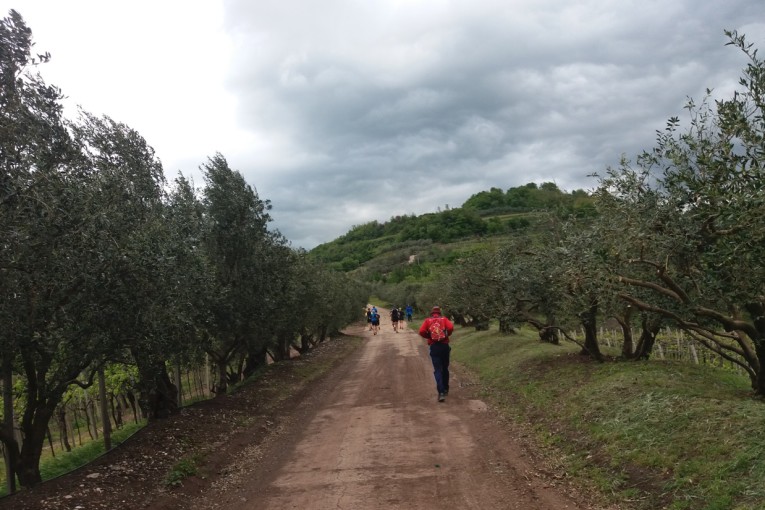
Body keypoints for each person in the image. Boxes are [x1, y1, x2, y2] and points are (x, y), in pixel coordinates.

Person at [418, 306, 454, 402]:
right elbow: (450, 327)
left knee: (437, 369)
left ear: (431, 313)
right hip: (444, 346)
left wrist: (429, 336)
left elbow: (421, 331)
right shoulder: (444, 319)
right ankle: (446, 388)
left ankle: (441, 392)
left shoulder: (428, 321)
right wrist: (446, 335)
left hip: (434, 347)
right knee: (445, 368)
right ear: (440, 312)